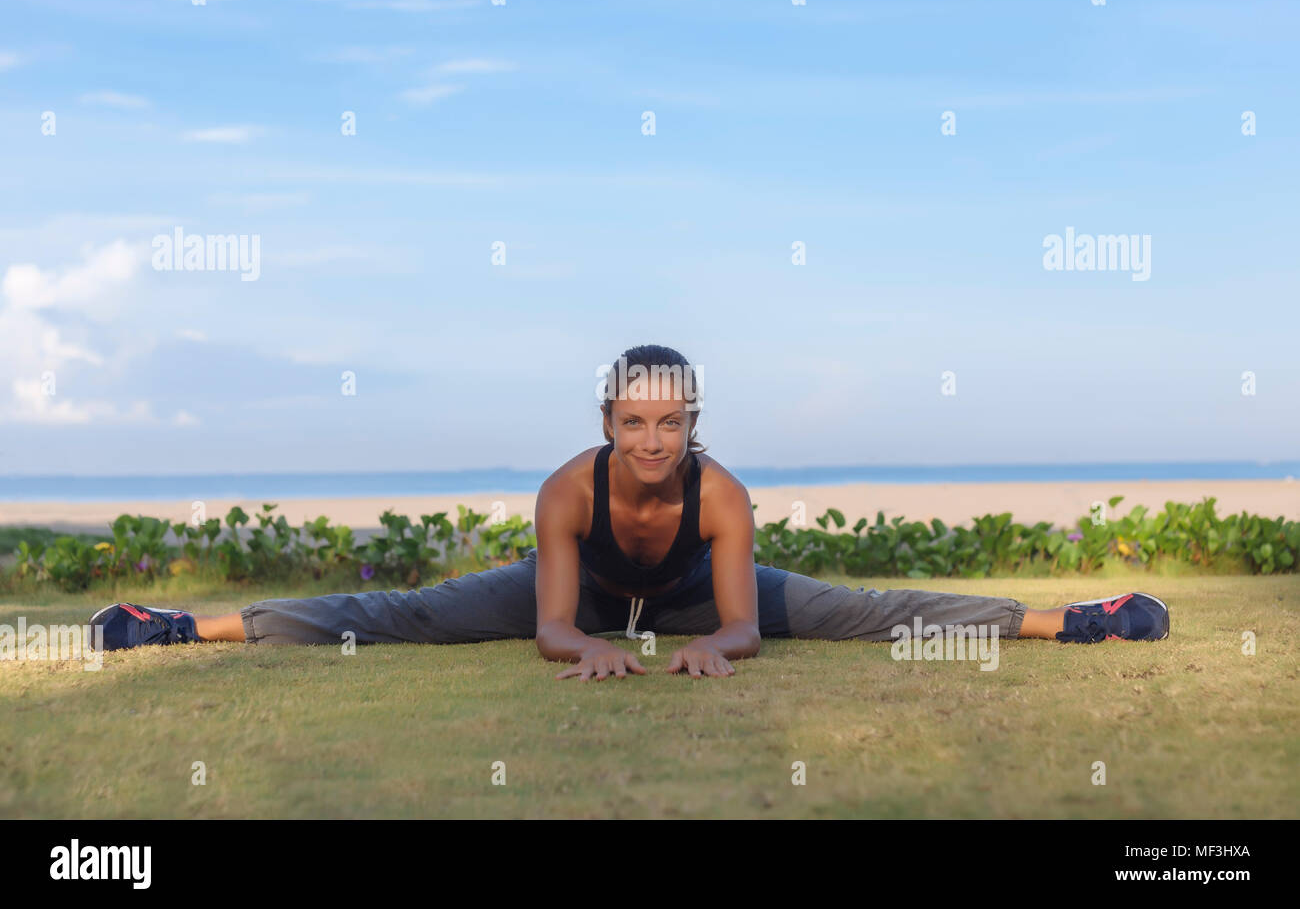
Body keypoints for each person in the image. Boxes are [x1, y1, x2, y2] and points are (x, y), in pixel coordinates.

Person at [88, 344, 1170, 680]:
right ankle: (176, 624)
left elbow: (742, 621)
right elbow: (556, 622)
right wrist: (579, 648)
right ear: (607, 417)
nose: (652, 440)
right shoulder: (568, 490)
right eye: (634, 420)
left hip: (696, 594)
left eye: (671, 421)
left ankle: (1073, 616)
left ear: (692, 421)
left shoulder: (723, 494)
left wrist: (721, 648)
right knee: (410, 609)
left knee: (868, 605)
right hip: (595, 591)